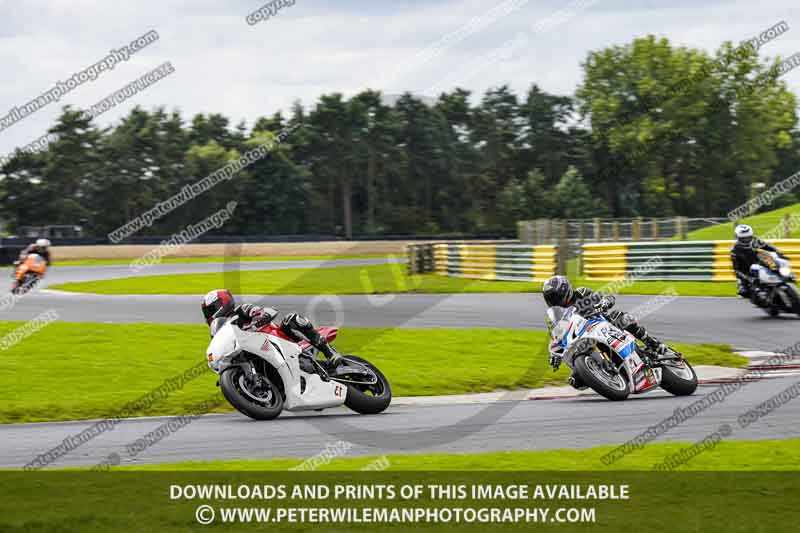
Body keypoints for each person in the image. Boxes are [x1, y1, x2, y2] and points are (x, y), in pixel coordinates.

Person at [542, 275, 668, 372]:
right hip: (582, 338)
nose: (554, 300)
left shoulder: (581, 293)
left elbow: (605, 298)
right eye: (550, 298)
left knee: (622, 318)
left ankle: (652, 343)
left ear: (565, 290)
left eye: (555, 296)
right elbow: (557, 337)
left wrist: (604, 303)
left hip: (603, 324)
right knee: (576, 380)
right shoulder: (558, 317)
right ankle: (605, 374)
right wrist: (554, 355)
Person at [200, 289, 342, 366]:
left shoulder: (242, 310)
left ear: (223, 302)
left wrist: (255, 323)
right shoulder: (218, 330)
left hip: (280, 340)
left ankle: (330, 353)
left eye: (211, 309)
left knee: (292, 319)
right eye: (206, 312)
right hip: (256, 355)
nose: (209, 314)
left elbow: (268, 311)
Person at [730, 224, 786, 303]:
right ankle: (757, 296)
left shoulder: (755, 241)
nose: (747, 240)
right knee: (743, 291)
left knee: (777, 269)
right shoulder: (734, 250)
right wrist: (749, 278)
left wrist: (778, 252)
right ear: (738, 238)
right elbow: (737, 270)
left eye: (748, 237)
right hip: (746, 271)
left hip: (759, 263)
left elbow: (767, 246)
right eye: (744, 238)